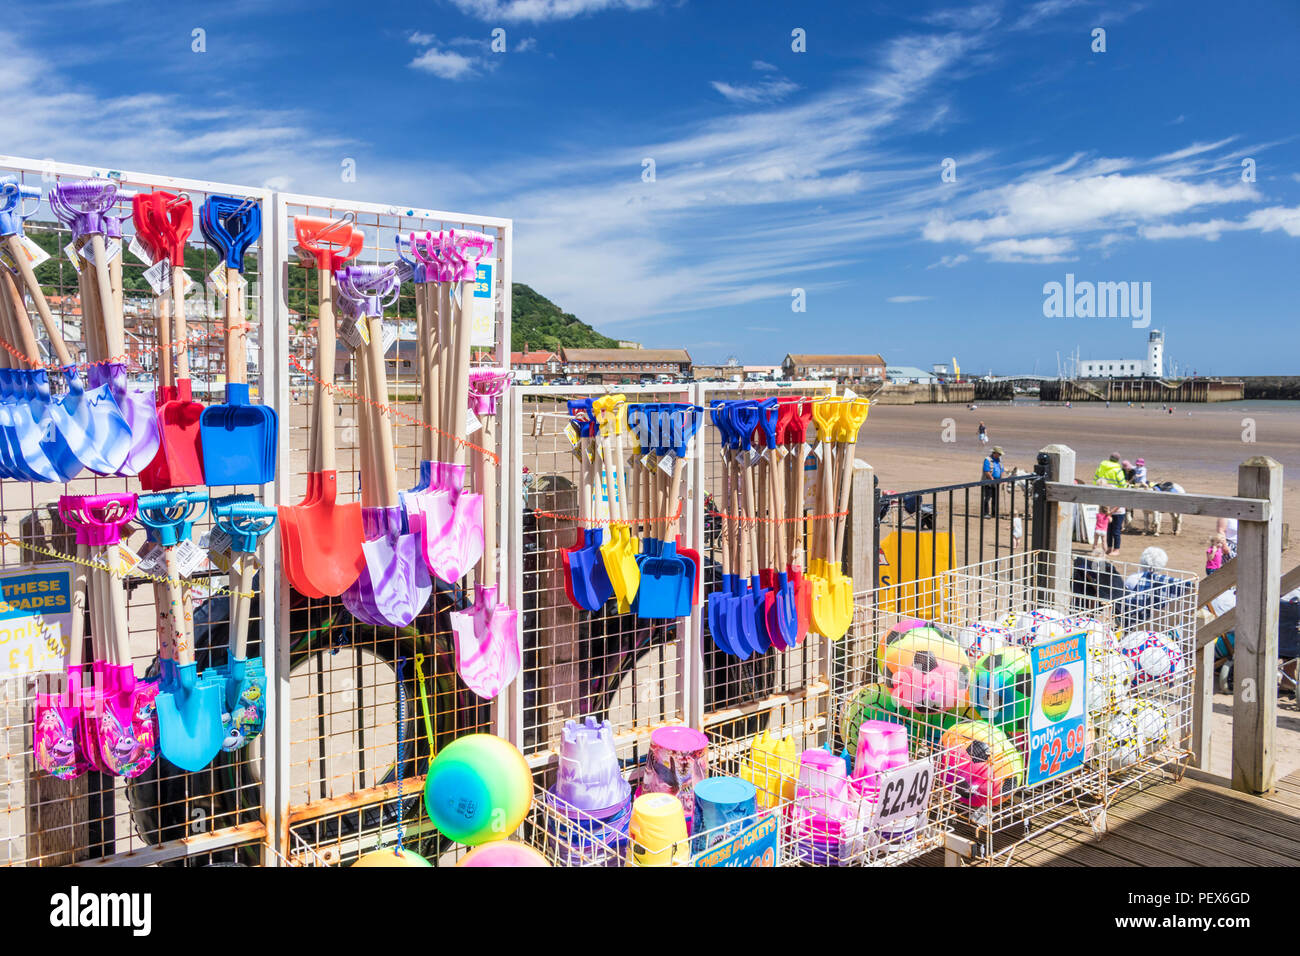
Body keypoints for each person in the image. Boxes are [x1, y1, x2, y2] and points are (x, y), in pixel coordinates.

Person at [981, 446, 1004, 517]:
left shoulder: (999, 460)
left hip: (996, 481)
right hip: (988, 481)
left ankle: (994, 513)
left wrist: (1002, 479)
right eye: (999, 454)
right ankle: (986, 513)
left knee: (995, 498)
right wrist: (992, 479)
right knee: (987, 498)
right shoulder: (987, 460)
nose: (1000, 455)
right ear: (995, 453)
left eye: (1000, 454)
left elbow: (1002, 470)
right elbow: (986, 471)